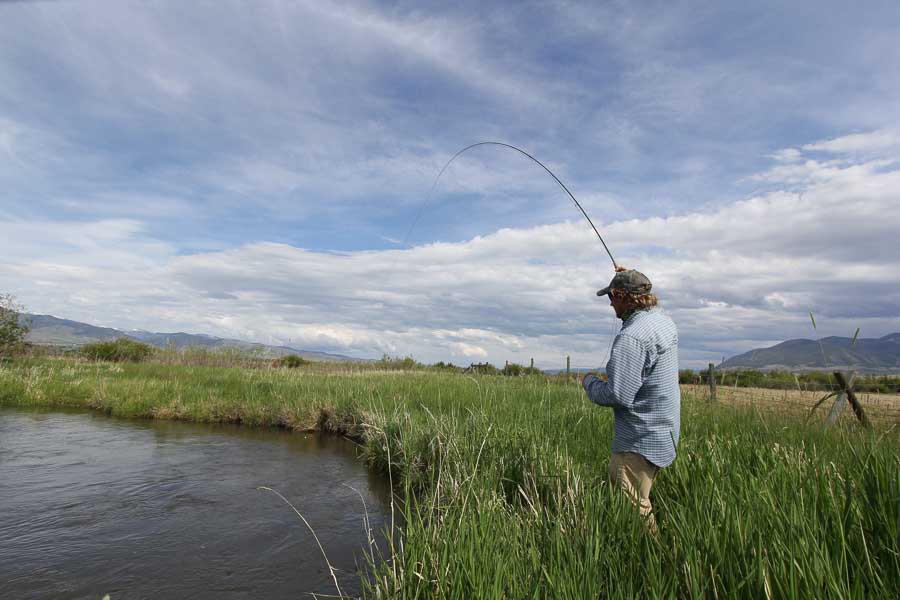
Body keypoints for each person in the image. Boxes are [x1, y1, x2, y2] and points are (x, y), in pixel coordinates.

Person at [581, 268, 680, 533]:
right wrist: (635, 276)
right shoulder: (661, 321)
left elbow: (618, 395)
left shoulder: (632, 337)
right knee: (638, 500)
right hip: (661, 432)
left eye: (612, 296)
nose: (610, 302)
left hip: (638, 440)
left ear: (624, 296)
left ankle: (653, 562)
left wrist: (589, 383)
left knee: (633, 508)